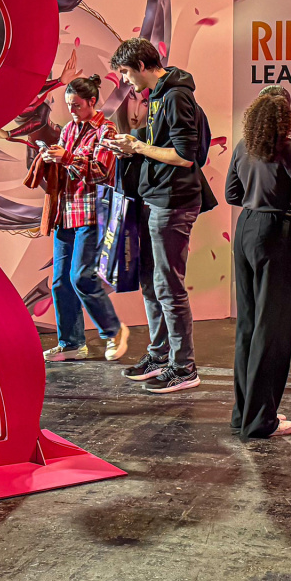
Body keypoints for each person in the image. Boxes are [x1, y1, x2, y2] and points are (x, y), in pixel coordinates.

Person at [108, 37, 216, 394]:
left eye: (126, 72)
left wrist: (138, 146)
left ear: (142, 65)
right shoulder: (158, 96)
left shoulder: (176, 95)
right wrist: (130, 144)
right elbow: (160, 139)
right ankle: (159, 355)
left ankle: (184, 367)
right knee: (151, 282)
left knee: (168, 286)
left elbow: (184, 155)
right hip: (154, 198)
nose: (125, 80)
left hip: (174, 201)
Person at [225, 91, 291, 440]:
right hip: (275, 233)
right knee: (272, 328)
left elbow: (231, 194)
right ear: (286, 116)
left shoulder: (243, 146)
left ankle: (244, 413)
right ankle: (261, 419)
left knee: (248, 325)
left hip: (245, 230)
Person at [41, 75, 130, 363]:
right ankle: (71, 343)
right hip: (66, 213)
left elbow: (102, 171)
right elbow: (67, 165)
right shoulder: (69, 128)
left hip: (91, 213)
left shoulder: (106, 129)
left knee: (81, 276)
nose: (71, 110)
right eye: (69, 105)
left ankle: (114, 331)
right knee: (60, 283)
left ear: (92, 101)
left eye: (76, 105)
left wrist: (66, 158)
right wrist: (51, 158)